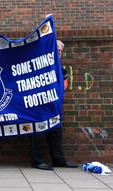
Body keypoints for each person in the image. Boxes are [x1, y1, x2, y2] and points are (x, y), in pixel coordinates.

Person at [29, 40, 77, 170]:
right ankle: (37, 160)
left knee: (56, 132)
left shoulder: (61, 69)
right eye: (57, 50)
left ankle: (58, 159)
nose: (59, 53)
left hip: (54, 106)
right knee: (38, 133)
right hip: (39, 106)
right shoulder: (39, 66)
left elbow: (63, 88)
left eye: (61, 51)